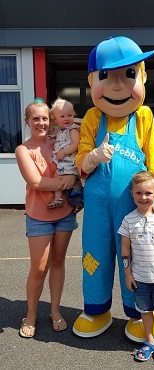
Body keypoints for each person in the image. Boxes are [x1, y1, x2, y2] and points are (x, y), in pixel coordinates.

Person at [73, 36, 154, 341]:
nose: (117, 85)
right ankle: (97, 309)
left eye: (128, 75)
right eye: (106, 76)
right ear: (93, 80)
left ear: (142, 76)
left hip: (135, 205)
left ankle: (137, 313)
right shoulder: (92, 117)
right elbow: (81, 160)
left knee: (136, 257)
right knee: (95, 254)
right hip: (98, 205)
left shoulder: (143, 117)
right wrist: (92, 157)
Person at [15, 99, 78, 338]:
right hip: (38, 216)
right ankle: (30, 315)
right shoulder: (23, 150)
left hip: (64, 213)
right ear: (27, 122)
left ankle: (54, 311)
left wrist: (74, 178)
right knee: (39, 268)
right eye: (35, 119)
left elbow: (76, 157)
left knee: (58, 263)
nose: (41, 123)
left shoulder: (58, 141)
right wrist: (69, 181)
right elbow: (36, 183)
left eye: (44, 118)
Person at [118, 171, 154, 362]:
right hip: (140, 277)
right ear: (132, 194)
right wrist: (127, 274)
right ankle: (150, 341)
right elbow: (125, 250)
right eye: (139, 193)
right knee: (145, 311)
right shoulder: (128, 220)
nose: (143, 197)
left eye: (148, 193)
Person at [47, 98, 83, 214]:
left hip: (69, 161)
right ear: (55, 119)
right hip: (65, 162)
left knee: (56, 177)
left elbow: (76, 144)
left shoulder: (72, 129)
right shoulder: (60, 130)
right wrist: (53, 138)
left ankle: (59, 198)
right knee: (70, 182)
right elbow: (61, 139)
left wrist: (63, 152)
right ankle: (77, 195)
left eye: (70, 115)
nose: (67, 118)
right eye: (62, 116)